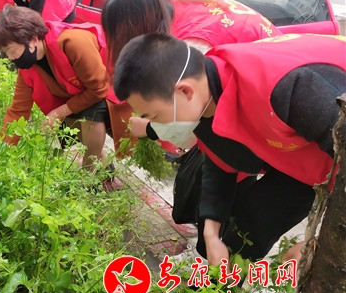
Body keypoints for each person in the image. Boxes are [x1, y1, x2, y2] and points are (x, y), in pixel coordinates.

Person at [113, 32, 346, 265]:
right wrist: (211, 234)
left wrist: (324, 242)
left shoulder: (289, 88)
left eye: (154, 116)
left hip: (333, 146)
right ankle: (219, 282)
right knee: (252, 222)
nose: (155, 125)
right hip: (301, 156)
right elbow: (219, 166)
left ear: (185, 91)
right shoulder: (206, 101)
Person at [101, 0, 281, 142]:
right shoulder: (183, 8)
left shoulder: (190, 47)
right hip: (271, 68)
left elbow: (193, 116)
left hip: (273, 102)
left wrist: (150, 129)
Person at [0, 6, 116, 173]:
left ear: (33, 40)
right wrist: (2, 153)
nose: (10, 57)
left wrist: (59, 112)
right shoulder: (28, 66)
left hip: (111, 87)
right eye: (5, 52)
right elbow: (18, 110)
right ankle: (104, 165)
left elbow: (99, 88)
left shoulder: (73, 42)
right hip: (83, 93)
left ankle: (87, 175)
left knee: (89, 112)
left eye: (10, 50)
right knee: (68, 120)